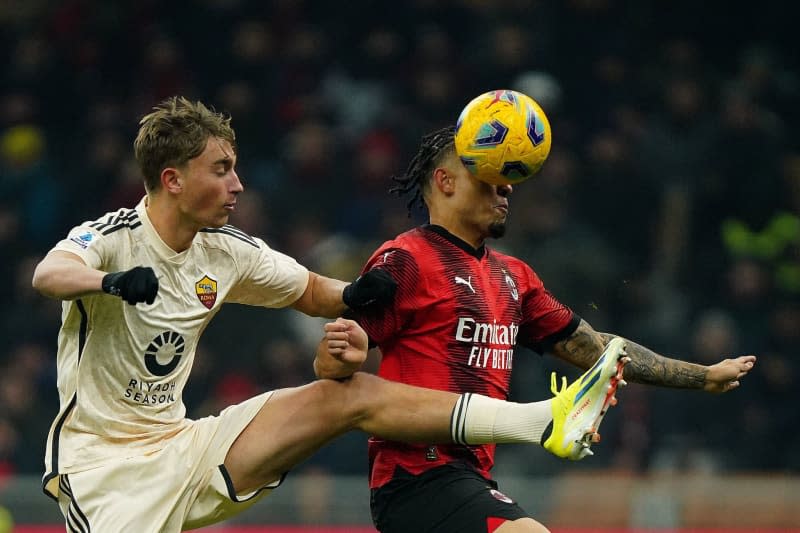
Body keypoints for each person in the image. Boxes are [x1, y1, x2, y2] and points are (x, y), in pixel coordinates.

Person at [30, 96, 630, 533]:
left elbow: (314, 290)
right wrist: (110, 283)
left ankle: (543, 419)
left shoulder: (227, 251)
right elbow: (48, 274)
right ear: (172, 179)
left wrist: (359, 293)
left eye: (236, 167)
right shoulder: (114, 236)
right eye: (221, 170)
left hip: (187, 447)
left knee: (347, 394)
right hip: (102, 469)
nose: (238, 184)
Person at [326, 124, 757, 533]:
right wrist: (338, 356)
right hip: (415, 476)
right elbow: (333, 364)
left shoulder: (514, 277)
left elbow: (599, 350)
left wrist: (702, 376)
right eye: (489, 177)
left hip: (472, 476)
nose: (507, 188)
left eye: (508, 179)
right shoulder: (405, 260)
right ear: (445, 182)